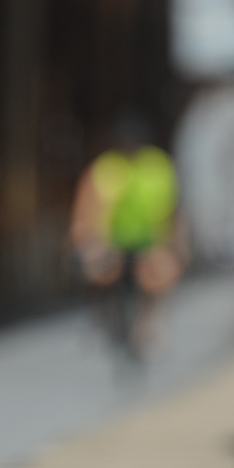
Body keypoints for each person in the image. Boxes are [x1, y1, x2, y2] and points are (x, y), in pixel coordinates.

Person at [69, 115, 186, 361]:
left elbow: (173, 209)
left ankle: (149, 322)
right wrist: (87, 243)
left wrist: (177, 243)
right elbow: (86, 212)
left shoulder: (158, 167)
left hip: (150, 241)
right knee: (96, 270)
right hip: (110, 240)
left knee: (160, 274)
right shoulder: (104, 168)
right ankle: (102, 316)